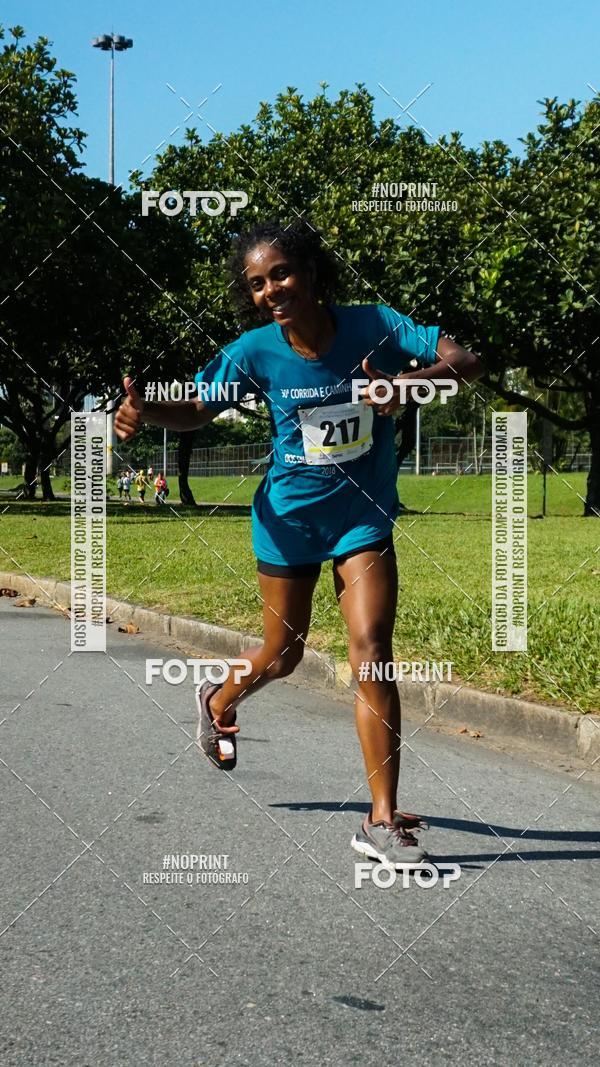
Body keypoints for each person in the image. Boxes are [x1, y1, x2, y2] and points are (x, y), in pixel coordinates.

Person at [115, 219, 483, 868]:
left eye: (281, 273)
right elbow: (199, 408)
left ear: (311, 272)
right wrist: (147, 412)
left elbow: (465, 361)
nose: (271, 290)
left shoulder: (376, 325)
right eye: (257, 283)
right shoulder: (255, 351)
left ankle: (379, 822)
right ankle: (218, 698)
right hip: (287, 517)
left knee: (372, 648)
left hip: (361, 519)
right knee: (283, 653)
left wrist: (406, 384)